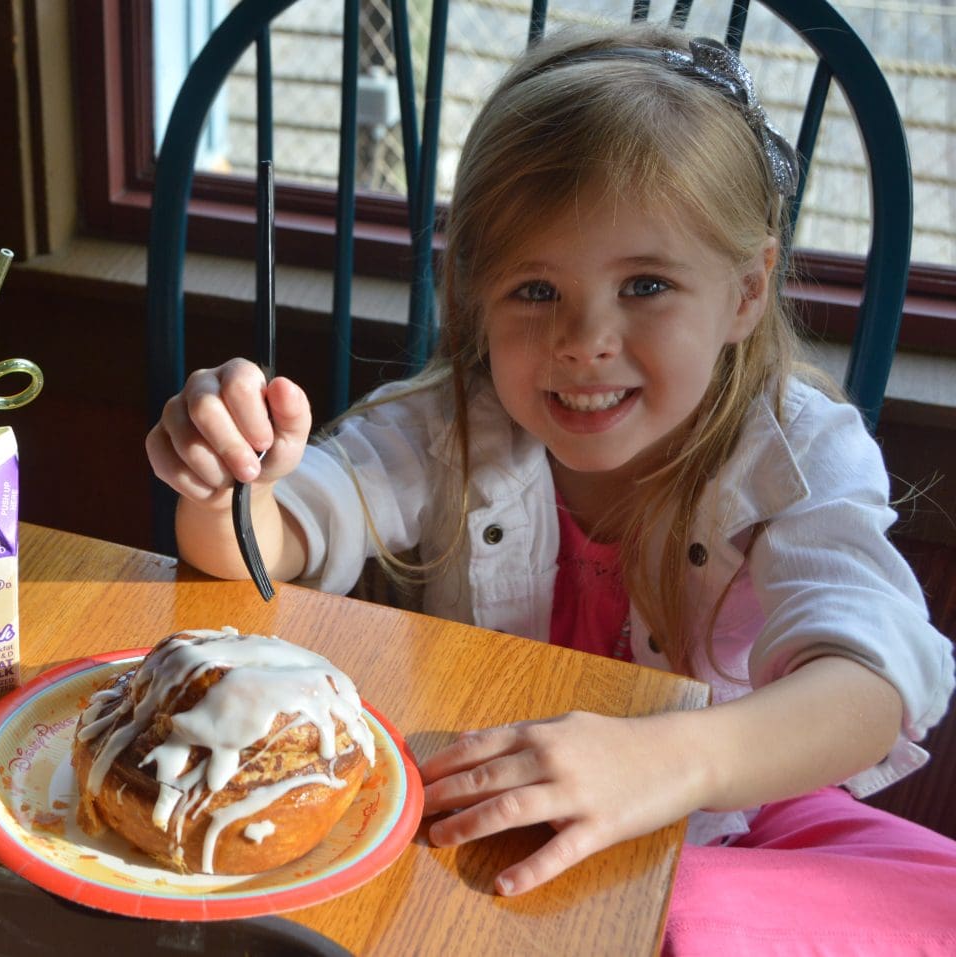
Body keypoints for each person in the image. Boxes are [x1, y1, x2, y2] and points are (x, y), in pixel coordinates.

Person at [146, 21, 956, 954]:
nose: (584, 340)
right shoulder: (449, 425)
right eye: (535, 291)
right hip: (497, 817)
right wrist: (228, 478)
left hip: (741, 812)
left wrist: (672, 760)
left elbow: (873, 682)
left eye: (646, 284)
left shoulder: (795, 452)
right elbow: (268, 541)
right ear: (477, 295)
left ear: (745, 289)